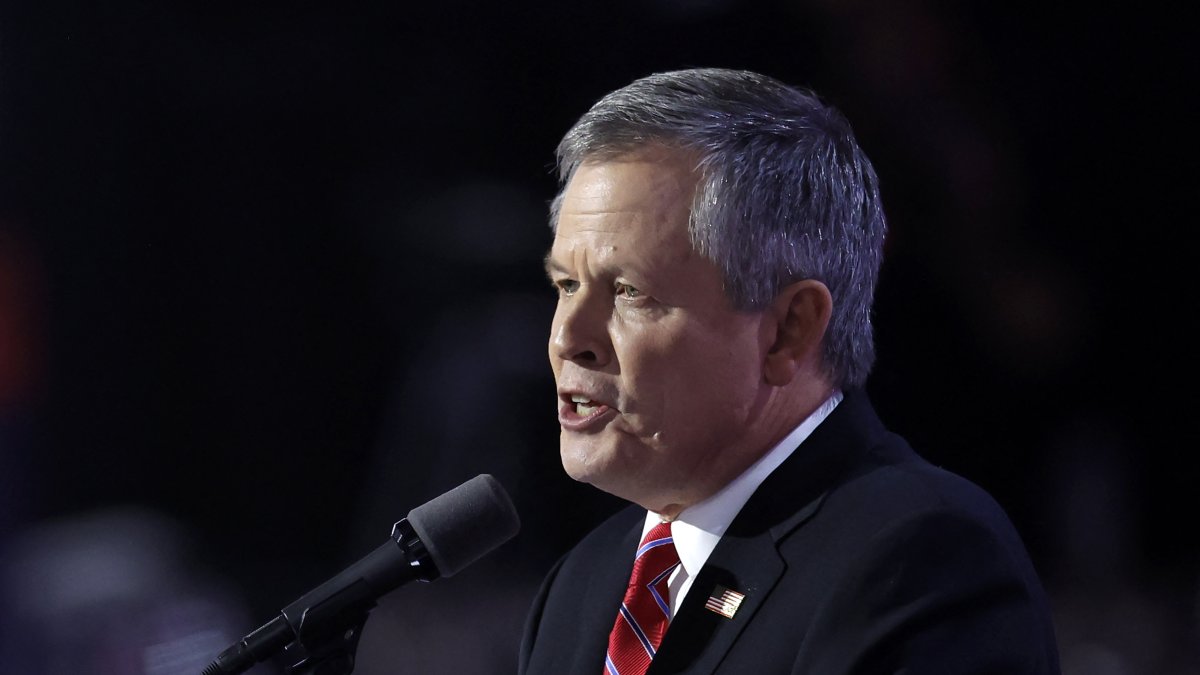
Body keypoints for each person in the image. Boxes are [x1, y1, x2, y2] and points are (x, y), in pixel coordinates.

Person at [518, 68, 1060, 674]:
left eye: (628, 291)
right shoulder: (582, 584)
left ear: (789, 329)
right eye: (566, 284)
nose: (568, 338)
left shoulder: (919, 558)